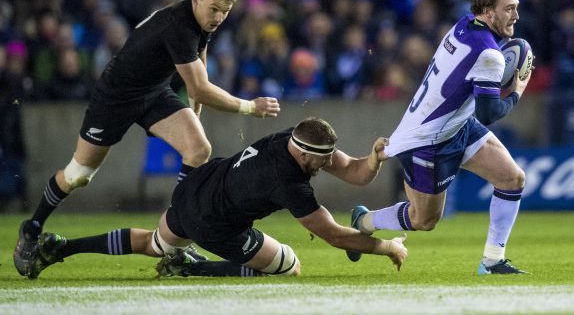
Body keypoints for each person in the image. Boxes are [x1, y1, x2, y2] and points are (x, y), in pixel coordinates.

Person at [14, 0, 280, 277]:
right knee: (79, 174)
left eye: (225, 11)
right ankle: (32, 229)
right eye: (214, 9)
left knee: (198, 149)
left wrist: (195, 112)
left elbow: (201, 64)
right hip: (115, 97)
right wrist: (250, 106)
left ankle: (178, 230)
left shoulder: (203, 20)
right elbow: (199, 87)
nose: (219, 18)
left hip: (153, 92)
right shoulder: (178, 26)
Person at [25, 117, 408, 279]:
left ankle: (60, 248)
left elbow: (355, 171)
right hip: (215, 223)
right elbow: (335, 236)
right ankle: (190, 267)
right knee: (289, 266)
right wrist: (387, 246)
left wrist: (373, 158)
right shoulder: (289, 182)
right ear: (306, 154)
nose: (326, 165)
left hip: (196, 190)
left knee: (152, 243)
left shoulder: (293, 140)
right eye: (321, 161)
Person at [347, 0, 533, 275]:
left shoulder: (463, 25)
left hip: (457, 125)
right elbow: (490, 113)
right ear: (488, 12)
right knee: (425, 221)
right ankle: (364, 221)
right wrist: (517, 89)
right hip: (426, 141)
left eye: (516, 6)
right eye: (508, 8)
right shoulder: (489, 54)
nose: (516, 15)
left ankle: (493, 261)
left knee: (512, 179)